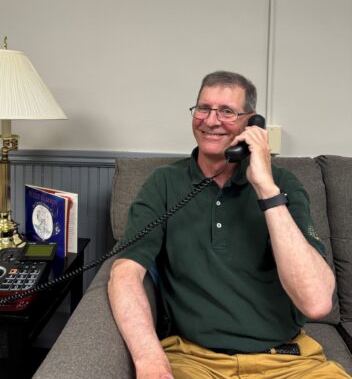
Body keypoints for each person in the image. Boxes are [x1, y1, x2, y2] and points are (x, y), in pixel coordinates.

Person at [108, 71, 350, 378]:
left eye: (227, 112)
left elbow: (316, 303)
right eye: (203, 108)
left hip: (287, 362)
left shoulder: (284, 184)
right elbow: (125, 273)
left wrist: (265, 189)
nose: (211, 120)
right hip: (193, 359)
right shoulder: (164, 184)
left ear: (251, 124)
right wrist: (149, 359)